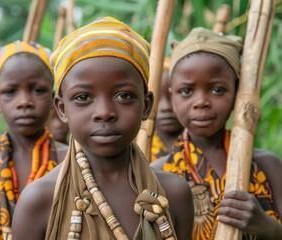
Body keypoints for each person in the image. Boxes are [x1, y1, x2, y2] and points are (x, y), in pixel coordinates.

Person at [12, 17, 194, 240]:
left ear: (146, 106)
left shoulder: (174, 193)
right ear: (61, 109)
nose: (104, 112)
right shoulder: (40, 200)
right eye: (83, 97)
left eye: (123, 95)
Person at [151, 27, 282, 239]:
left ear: (237, 93)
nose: (201, 101)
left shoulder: (267, 166)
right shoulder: (158, 174)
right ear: (172, 95)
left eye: (217, 90)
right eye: (187, 91)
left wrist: (268, 228)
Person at [0, 41, 67, 240]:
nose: (24, 101)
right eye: (10, 92)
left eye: (38, 90)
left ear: (53, 99)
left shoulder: (72, 162)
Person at [151, 57, 183, 162]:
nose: (166, 107)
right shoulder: (135, 147)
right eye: (156, 98)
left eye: (171, 97)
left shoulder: (203, 144)